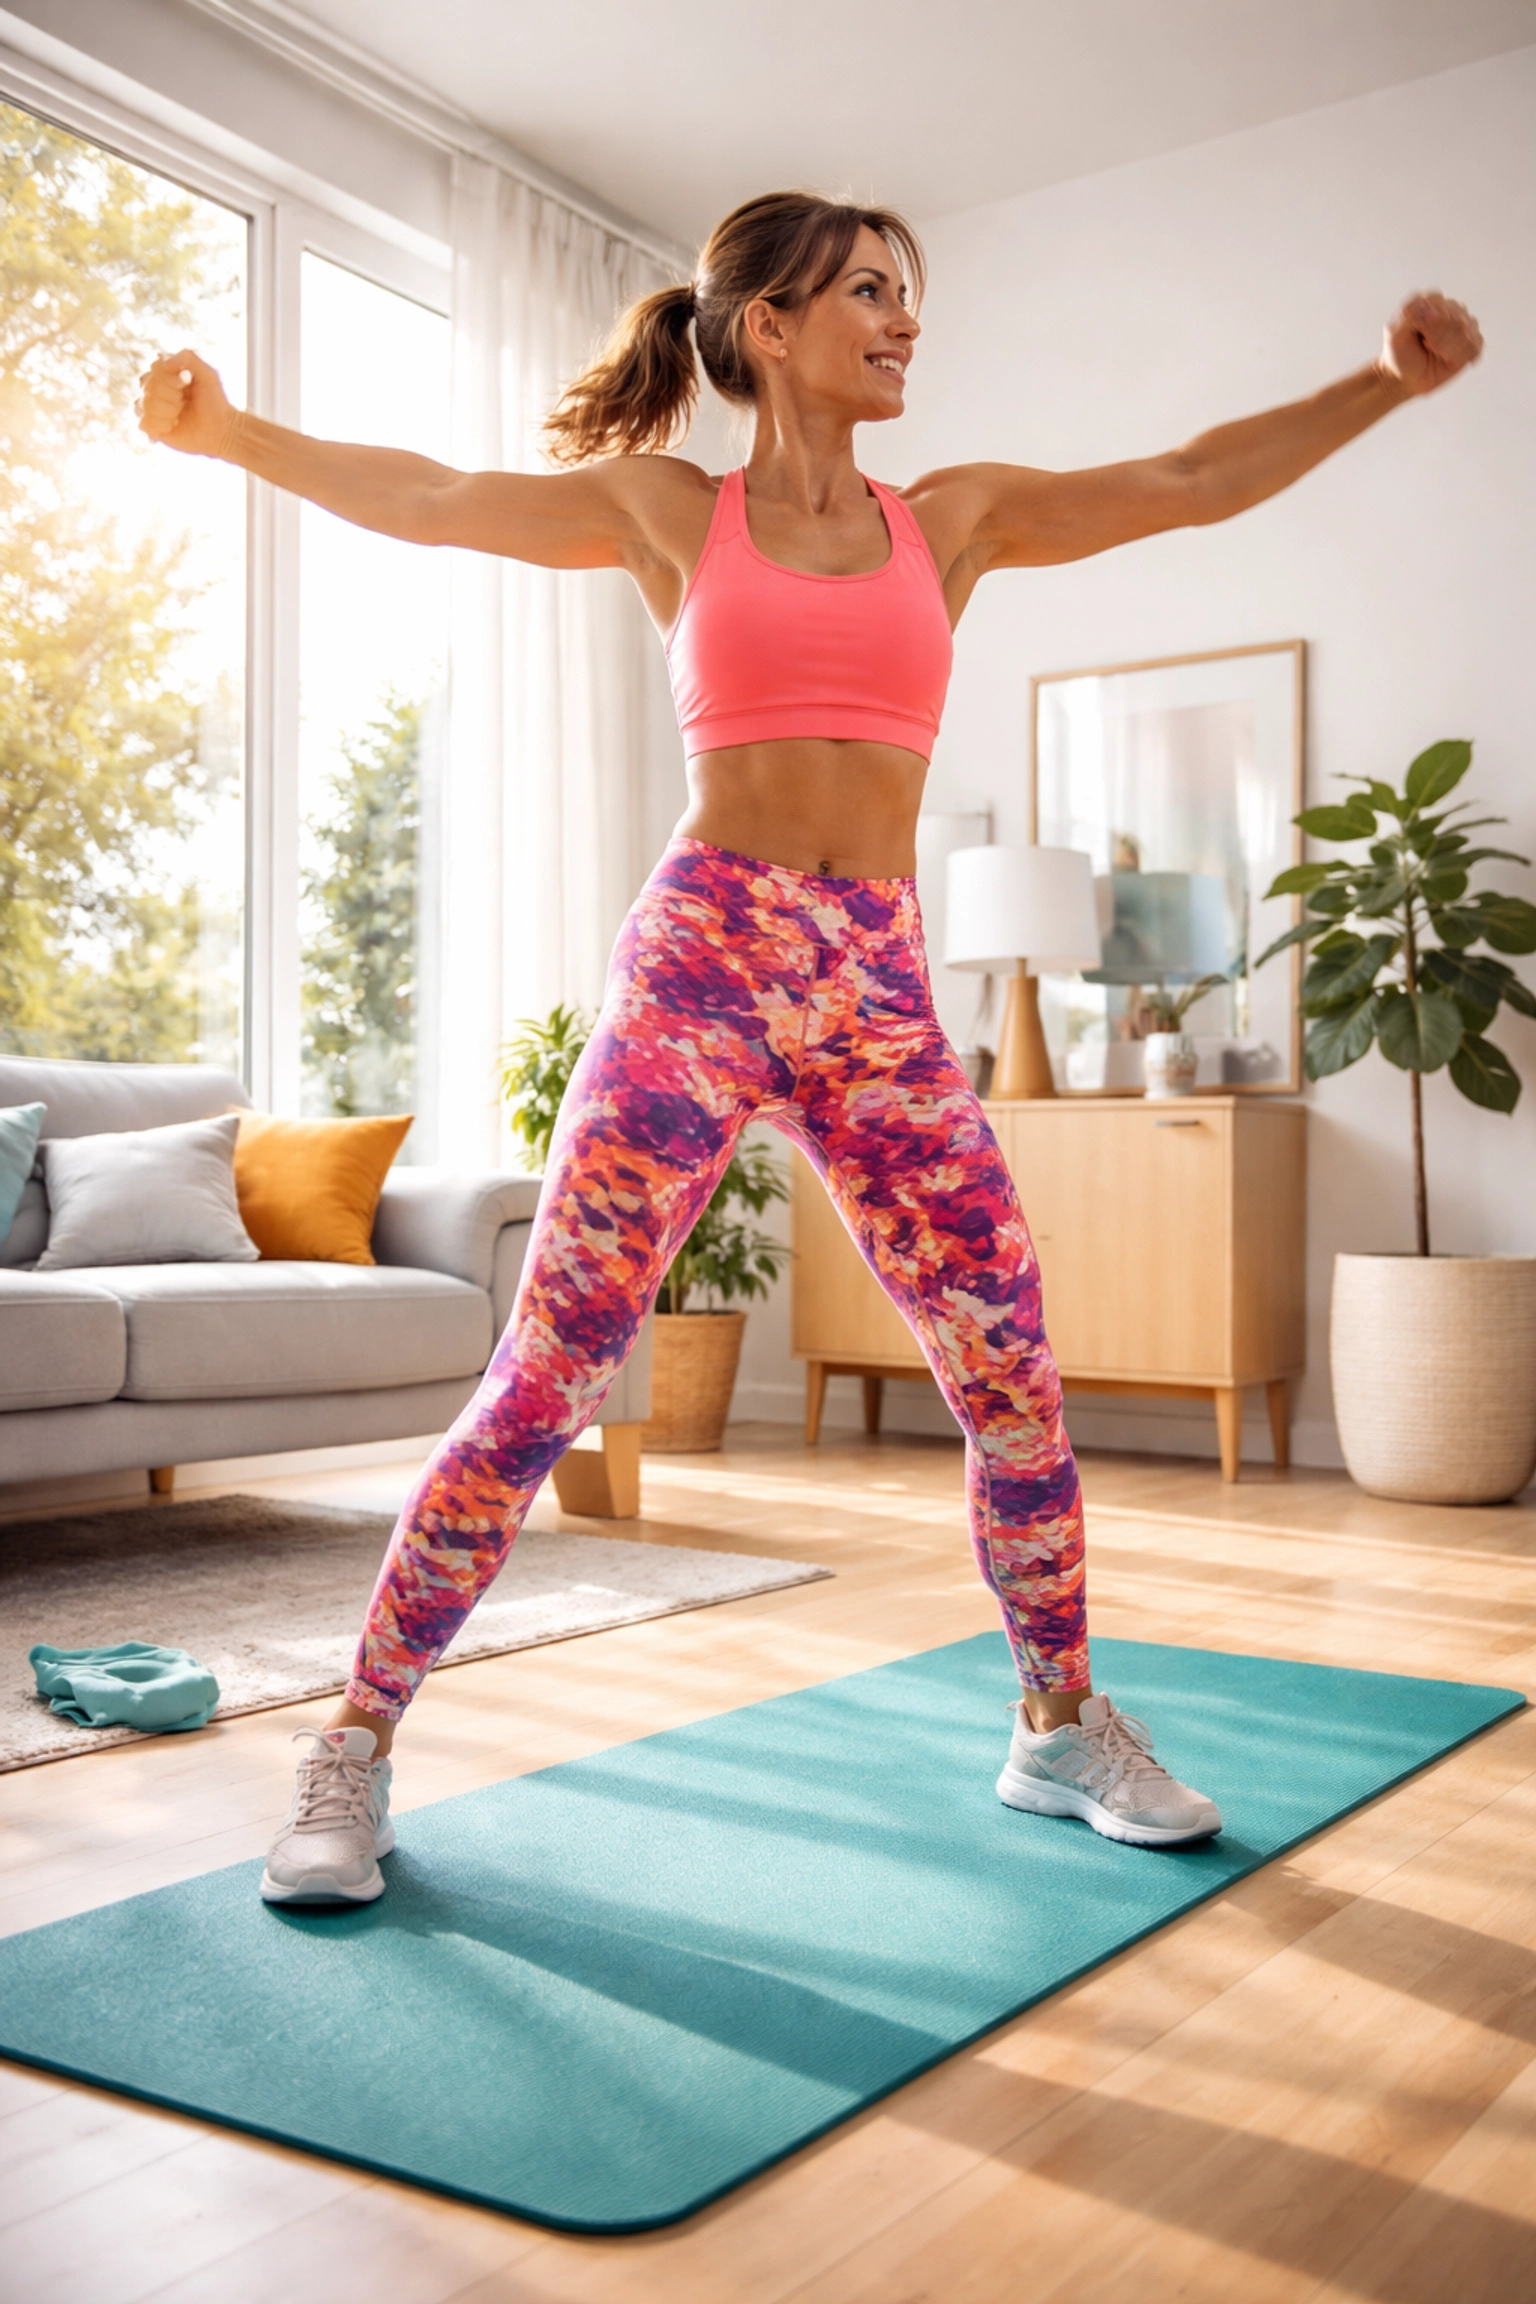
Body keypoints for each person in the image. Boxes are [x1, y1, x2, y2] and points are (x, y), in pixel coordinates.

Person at [139, 190, 1482, 1904]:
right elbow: (438, 498)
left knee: (1011, 1367)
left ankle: (1058, 1723)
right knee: (546, 1374)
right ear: (769, 326)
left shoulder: (957, 520)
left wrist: (1378, 380)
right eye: (870, 293)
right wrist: (230, 430)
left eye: (907, 296)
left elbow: (1190, 477)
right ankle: (356, 1751)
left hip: (877, 988)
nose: (904, 322)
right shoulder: (667, 511)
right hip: (701, 962)